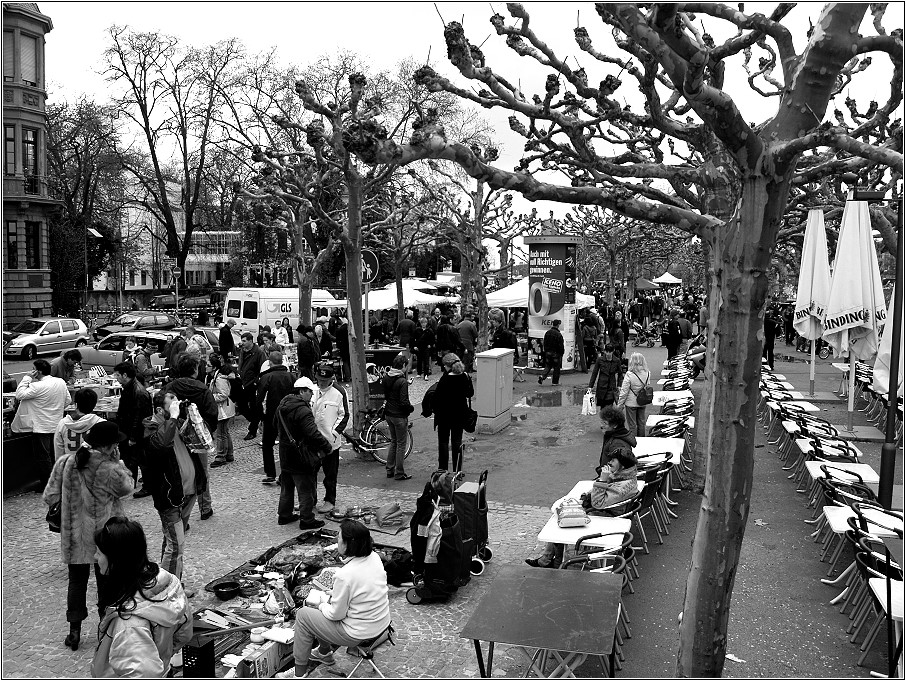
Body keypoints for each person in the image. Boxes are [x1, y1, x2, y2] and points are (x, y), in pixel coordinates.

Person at [42, 421, 134, 651]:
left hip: (74, 536)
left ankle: (74, 632)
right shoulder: (110, 468)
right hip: (103, 535)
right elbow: (127, 488)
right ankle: (106, 629)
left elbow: (49, 496)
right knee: (106, 581)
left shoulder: (66, 462)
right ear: (110, 445)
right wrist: (119, 463)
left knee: (76, 582)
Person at [276, 520, 391, 679]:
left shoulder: (345, 575)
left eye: (339, 538)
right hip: (381, 623)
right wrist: (333, 597)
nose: (336, 540)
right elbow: (362, 592)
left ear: (348, 545)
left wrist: (323, 604)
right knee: (320, 606)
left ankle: (299, 674)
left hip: (358, 633)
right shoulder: (374, 557)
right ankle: (324, 653)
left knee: (304, 614)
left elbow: (335, 615)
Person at [90, 517, 193, 678]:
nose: (95, 558)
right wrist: (162, 656)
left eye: (98, 552)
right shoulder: (167, 581)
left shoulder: (129, 624)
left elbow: (143, 675)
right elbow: (184, 634)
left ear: (115, 559)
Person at [526, 448, 638, 569]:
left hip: (605, 517)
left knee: (564, 520)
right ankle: (548, 560)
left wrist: (602, 479)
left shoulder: (623, 487)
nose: (609, 462)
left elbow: (598, 503)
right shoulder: (622, 476)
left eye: (613, 460)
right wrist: (588, 494)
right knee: (562, 514)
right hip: (603, 512)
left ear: (622, 466)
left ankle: (555, 563)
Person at [143, 391, 207, 583]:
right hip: (169, 496)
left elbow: (204, 437)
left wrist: (190, 415)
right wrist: (172, 417)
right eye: (171, 405)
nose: (175, 409)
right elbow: (162, 444)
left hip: (188, 492)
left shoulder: (177, 423)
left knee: (171, 542)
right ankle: (170, 589)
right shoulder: (151, 429)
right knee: (176, 545)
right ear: (159, 410)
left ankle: (170, 581)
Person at [275, 376, 333, 530]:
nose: (312, 395)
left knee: (287, 487)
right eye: (310, 392)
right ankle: (307, 519)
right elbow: (312, 433)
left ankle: (284, 515)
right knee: (305, 488)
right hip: (300, 455)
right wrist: (326, 446)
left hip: (285, 453)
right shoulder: (303, 410)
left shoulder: (282, 405)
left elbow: (276, 426)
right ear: (302, 391)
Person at [165, 355, 217, 520]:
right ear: (195, 370)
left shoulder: (170, 388)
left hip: (176, 436)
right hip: (198, 437)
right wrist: (205, 432)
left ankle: (180, 511)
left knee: (180, 472)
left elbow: (163, 409)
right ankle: (205, 507)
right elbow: (212, 413)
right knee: (202, 472)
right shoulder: (202, 389)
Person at [13, 358, 71, 490]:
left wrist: (27, 378)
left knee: (44, 458)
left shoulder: (37, 386)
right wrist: (56, 409)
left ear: (37, 372)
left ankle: (48, 485)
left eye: (33, 370)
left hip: (41, 427)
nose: (31, 371)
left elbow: (19, 394)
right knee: (54, 455)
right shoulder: (60, 382)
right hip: (56, 424)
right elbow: (67, 400)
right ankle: (57, 482)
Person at [312, 363, 349, 513]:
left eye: (324, 380)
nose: (321, 383)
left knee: (330, 475)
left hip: (330, 442)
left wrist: (334, 433)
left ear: (331, 379)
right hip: (313, 440)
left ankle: (330, 500)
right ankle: (310, 499)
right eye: (319, 379)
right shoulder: (313, 390)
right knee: (310, 473)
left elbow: (344, 414)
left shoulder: (339, 392)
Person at [113, 362, 153, 498]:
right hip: (129, 430)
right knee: (132, 458)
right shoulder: (130, 387)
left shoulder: (138, 391)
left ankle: (148, 486)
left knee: (142, 458)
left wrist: (133, 437)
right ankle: (131, 482)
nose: (116, 378)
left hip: (135, 432)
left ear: (125, 375)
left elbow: (138, 416)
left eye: (117, 375)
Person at [257, 351, 297, 485]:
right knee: (286, 445)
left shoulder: (266, 377)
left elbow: (260, 399)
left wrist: (261, 417)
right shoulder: (291, 377)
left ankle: (270, 473)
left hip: (270, 416)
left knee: (267, 444)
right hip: (288, 416)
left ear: (270, 362)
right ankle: (285, 474)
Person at [433, 353, 474, 472]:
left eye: (445, 365)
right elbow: (470, 393)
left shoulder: (445, 379)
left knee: (443, 442)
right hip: (459, 414)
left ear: (449, 366)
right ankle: (457, 470)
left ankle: (443, 469)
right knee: (457, 442)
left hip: (444, 415)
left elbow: (437, 398)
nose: (444, 367)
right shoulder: (465, 376)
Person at [381, 354, 414, 481]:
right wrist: (411, 409)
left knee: (394, 442)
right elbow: (404, 402)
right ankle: (399, 472)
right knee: (401, 444)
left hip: (389, 414)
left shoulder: (387, 377)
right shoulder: (401, 381)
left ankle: (390, 469)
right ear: (404, 366)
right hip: (399, 416)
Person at [54, 388, 105, 461]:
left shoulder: (63, 423)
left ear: (76, 404)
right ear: (95, 404)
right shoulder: (102, 424)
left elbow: (59, 452)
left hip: (69, 467)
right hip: (94, 469)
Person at [208, 354, 237, 468]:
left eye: (208, 365)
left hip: (223, 409)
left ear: (214, 367)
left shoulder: (219, 378)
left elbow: (223, 394)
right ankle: (229, 454)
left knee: (221, 433)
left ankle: (221, 456)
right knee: (225, 432)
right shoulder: (218, 377)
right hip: (225, 408)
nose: (206, 366)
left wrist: (210, 397)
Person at [238, 332, 265, 440]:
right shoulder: (243, 351)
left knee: (254, 407)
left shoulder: (258, 352)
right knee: (241, 406)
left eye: (244, 341)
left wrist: (256, 381)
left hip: (253, 384)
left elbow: (262, 369)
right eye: (242, 340)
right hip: (243, 382)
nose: (242, 343)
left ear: (250, 341)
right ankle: (255, 420)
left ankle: (252, 430)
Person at [617, 352, 651, 437]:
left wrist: (620, 405)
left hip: (631, 402)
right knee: (641, 423)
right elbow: (647, 385)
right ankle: (642, 441)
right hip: (642, 400)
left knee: (632, 425)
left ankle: (633, 442)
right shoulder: (647, 373)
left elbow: (624, 392)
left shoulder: (629, 374)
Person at [589, 343, 623, 415]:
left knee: (609, 405)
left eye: (609, 352)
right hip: (601, 387)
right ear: (604, 351)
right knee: (602, 406)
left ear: (613, 351)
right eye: (606, 351)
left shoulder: (617, 361)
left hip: (611, 387)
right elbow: (594, 373)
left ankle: (607, 423)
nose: (608, 353)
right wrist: (590, 386)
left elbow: (620, 374)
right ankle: (604, 423)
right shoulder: (600, 360)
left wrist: (619, 385)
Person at [539, 319, 564, 385]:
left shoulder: (547, 332)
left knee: (548, 365)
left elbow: (544, 342)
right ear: (558, 325)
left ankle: (542, 376)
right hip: (555, 353)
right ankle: (555, 382)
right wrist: (561, 353)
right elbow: (560, 345)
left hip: (548, 352)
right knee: (556, 367)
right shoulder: (559, 334)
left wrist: (545, 350)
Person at [413, 315, 436, 380]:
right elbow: (413, 338)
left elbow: (432, 339)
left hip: (426, 347)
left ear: (426, 323)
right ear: (421, 323)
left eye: (425, 323)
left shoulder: (429, 330)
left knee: (426, 361)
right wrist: (415, 346)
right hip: (419, 347)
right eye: (422, 323)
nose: (423, 324)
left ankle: (426, 374)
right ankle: (419, 373)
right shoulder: (417, 330)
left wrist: (430, 345)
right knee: (419, 360)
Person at [395, 309, 417, 375]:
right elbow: (414, 334)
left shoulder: (401, 322)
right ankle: (409, 369)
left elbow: (397, 331)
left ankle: (403, 368)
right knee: (410, 356)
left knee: (403, 355)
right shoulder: (412, 323)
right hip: (410, 341)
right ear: (412, 316)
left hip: (402, 341)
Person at [335, 317, 351, 382]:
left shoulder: (340, 329)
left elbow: (338, 340)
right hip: (349, 347)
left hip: (343, 348)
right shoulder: (349, 328)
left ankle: (347, 377)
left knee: (345, 362)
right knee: (349, 363)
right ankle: (351, 376)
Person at [763, 305, 778, 370]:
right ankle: (771, 365)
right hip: (771, 338)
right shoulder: (773, 322)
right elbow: (777, 330)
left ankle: (764, 364)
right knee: (770, 352)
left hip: (764, 337)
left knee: (764, 351)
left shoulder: (762, 322)